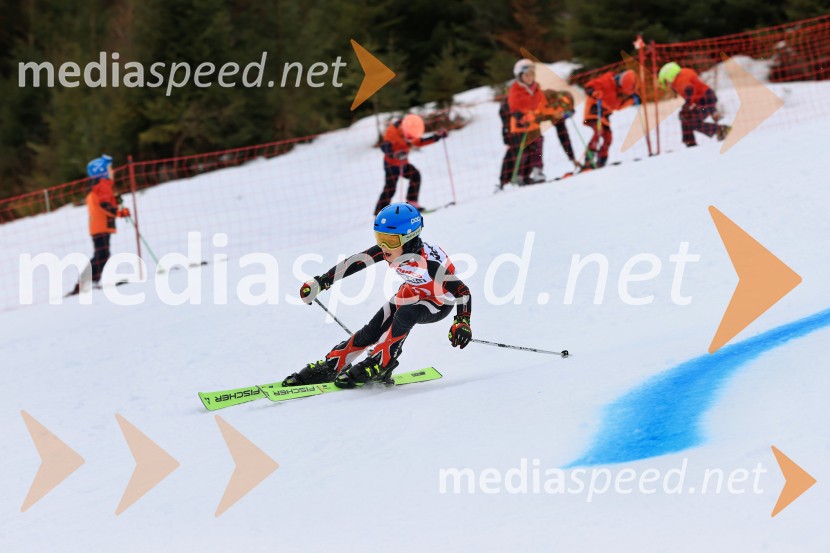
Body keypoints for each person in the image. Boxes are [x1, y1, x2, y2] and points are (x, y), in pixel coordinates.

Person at [282, 202, 473, 389]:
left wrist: (462, 322)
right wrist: (322, 281)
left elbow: (462, 292)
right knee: (372, 330)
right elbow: (355, 262)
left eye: (390, 241)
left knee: (406, 314)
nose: (383, 246)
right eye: (379, 237)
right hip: (412, 293)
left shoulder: (429, 263)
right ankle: (335, 364)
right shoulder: (390, 250)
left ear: (410, 238)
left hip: (438, 302)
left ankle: (382, 362)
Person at [68, 155, 130, 295]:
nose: (113, 171)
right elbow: (104, 204)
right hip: (100, 225)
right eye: (110, 168)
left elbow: (105, 201)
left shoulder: (102, 186)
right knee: (101, 255)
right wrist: (119, 212)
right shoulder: (101, 186)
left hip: (100, 225)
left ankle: (89, 282)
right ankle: (85, 283)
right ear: (102, 171)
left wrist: (116, 201)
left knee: (102, 254)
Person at [499, 86, 579, 188]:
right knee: (518, 147)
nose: (563, 117)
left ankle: (525, 176)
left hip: (528, 123)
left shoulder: (556, 113)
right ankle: (505, 182)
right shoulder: (541, 101)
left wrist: (572, 157)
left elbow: (563, 136)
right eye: (565, 114)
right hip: (510, 112)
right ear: (558, 104)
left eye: (567, 115)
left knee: (535, 143)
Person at [375, 114, 447, 215]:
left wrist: (437, 137)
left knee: (415, 175)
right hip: (391, 165)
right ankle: (379, 213)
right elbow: (384, 147)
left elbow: (419, 142)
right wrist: (394, 154)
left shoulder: (411, 130)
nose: (410, 139)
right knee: (390, 188)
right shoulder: (392, 131)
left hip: (403, 163)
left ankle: (412, 204)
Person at [658, 62, 731, 147]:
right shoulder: (683, 73)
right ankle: (689, 142)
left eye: (666, 81)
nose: (668, 85)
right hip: (705, 102)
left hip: (706, 103)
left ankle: (720, 130)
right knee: (686, 117)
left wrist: (686, 107)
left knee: (691, 121)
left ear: (670, 76)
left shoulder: (680, 80)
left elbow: (690, 93)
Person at [502, 59, 547, 186]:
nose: (529, 78)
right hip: (520, 127)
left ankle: (538, 172)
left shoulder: (536, 88)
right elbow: (513, 107)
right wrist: (522, 117)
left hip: (534, 125)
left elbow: (542, 104)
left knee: (538, 148)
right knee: (524, 153)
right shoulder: (515, 89)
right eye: (526, 75)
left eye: (532, 75)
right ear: (520, 76)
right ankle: (519, 176)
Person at [582, 69, 639, 169]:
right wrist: (593, 92)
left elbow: (617, 106)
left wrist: (631, 101)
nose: (621, 90)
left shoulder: (620, 92)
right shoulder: (606, 80)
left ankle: (602, 160)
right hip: (593, 112)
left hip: (604, 116)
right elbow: (588, 87)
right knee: (598, 131)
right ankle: (588, 160)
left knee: (608, 137)